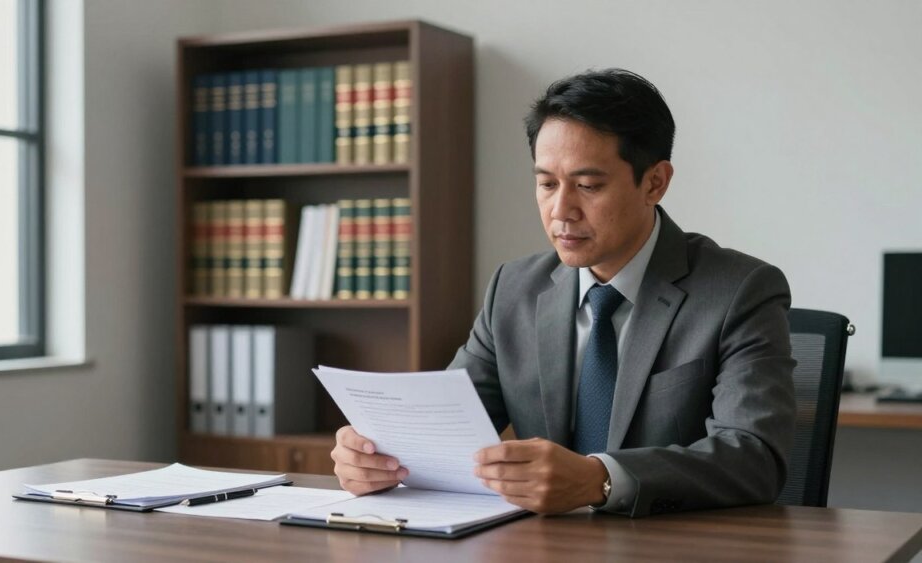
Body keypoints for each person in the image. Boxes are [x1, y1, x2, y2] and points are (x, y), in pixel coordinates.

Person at [330, 68, 796, 517]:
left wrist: (600, 479)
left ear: (655, 182)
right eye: (547, 184)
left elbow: (754, 457)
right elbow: (447, 432)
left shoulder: (739, 289)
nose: (561, 210)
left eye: (588, 185)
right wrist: (378, 458)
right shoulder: (512, 289)